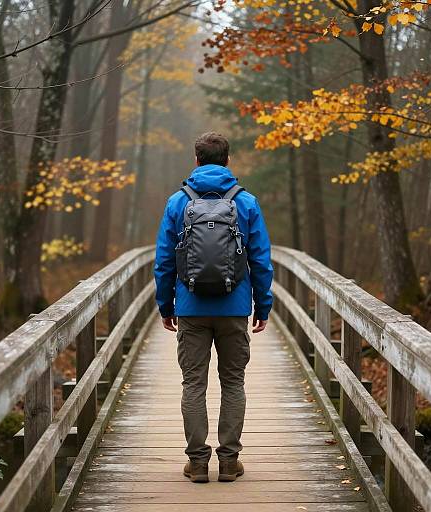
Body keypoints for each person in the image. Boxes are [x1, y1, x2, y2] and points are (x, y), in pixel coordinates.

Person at [154, 131, 273, 483]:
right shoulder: (246, 202)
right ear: (227, 160)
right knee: (233, 382)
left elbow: (163, 260)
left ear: (196, 160)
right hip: (234, 307)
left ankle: (197, 462)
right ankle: (229, 461)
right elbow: (261, 260)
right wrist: (262, 307)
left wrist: (166, 305)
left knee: (194, 384)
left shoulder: (178, 203)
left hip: (190, 307)